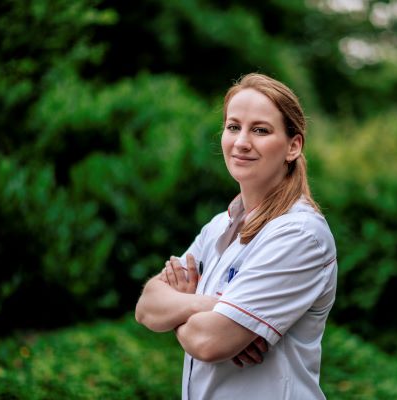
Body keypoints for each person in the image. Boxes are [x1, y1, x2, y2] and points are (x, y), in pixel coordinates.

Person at [135, 73, 337, 400]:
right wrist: (213, 306)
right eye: (233, 127)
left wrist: (182, 311)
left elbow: (207, 341)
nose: (241, 142)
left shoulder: (299, 234)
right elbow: (147, 306)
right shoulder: (219, 226)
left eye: (260, 130)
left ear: (293, 146)